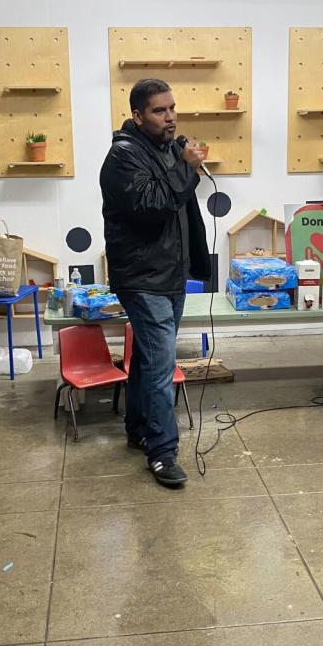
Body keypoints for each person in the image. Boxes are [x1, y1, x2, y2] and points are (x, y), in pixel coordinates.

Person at [100, 78, 211, 487]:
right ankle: (163, 452)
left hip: (169, 276)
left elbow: (180, 208)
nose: (170, 117)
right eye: (159, 111)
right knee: (162, 365)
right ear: (137, 116)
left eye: (172, 108)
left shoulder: (167, 151)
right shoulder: (122, 158)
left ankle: (137, 430)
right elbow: (153, 206)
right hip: (142, 280)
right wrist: (188, 167)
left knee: (148, 360)